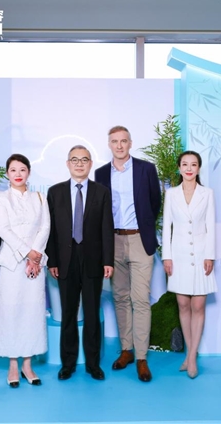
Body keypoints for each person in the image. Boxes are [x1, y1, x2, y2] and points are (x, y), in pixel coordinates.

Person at [94, 125, 160, 382]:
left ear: (130, 143)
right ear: (109, 144)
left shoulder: (146, 169)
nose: (119, 145)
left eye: (123, 141)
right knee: (120, 297)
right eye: (115, 141)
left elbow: (155, 203)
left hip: (140, 239)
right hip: (113, 241)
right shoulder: (101, 173)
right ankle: (127, 350)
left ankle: (142, 357)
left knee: (140, 299)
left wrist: (144, 227)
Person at [46, 145, 114, 381]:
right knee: (68, 313)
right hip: (65, 260)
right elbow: (50, 230)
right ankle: (68, 364)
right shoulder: (55, 192)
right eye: (74, 160)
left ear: (90, 164)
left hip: (93, 260)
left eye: (84, 160)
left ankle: (93, 364)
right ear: (68, 164)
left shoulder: (101, 192)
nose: (79, 164)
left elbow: (107, 228)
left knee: (92, 313)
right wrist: (52, 260)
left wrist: (108, 260)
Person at [0, 153, 50, 388]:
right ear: (7, 173)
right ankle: (13, 364)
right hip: (11, 263)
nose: (18, 174)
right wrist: (27, 253)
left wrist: (36, 255)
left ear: (29, 173)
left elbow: (45, 227)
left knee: (32, 312)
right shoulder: (0, 198)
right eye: (13, 170)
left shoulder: (40, 197)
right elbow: (2, 229)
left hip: (36, 264)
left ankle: (28, 364)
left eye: (22, 169)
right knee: (10, 311)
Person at [161, 151, 216, 379]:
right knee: (183, 304)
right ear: (179, 168)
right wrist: (167, 256)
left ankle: (191, 357)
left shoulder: (207, 194)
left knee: (198, 306)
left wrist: (210, 256)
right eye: (185, 164)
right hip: (179, 256)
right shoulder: (171, 194)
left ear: (199, 168)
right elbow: (167, 227)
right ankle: (189, 354)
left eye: (193, 165)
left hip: (202, 255)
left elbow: (211, 226)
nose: (189, 168)